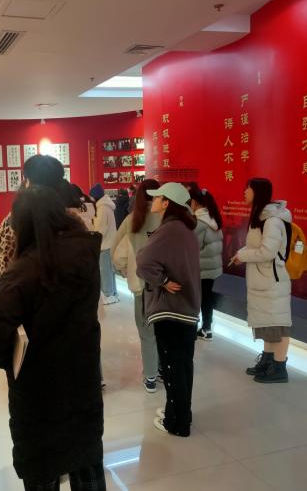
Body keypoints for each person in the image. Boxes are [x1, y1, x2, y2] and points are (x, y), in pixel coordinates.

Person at [0, 186, 105, 490]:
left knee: (42, 466)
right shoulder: (85, 254)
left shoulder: (23, 271)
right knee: (85, 458)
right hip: (82, 378)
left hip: (38, 391)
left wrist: (13, 360)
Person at [136, 182, 200, 437]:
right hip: (187, 307)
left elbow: (143, 262)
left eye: (157, 197)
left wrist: (161, 281)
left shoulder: (169, 229)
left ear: (167, 203)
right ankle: (181, 413)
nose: (153, 201)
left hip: (171, 308)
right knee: (183, 365)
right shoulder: (185, 228)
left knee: (173, 367)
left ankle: (177, 423)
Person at [0, 155, 69, 306]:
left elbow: (0, 266)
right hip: (60, 307)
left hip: (22, 304)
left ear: (28, 182)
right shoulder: (70, 220)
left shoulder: (15, 220)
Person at [231, 178, 292, 383]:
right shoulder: (262, 217)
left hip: (272, 280)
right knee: (267, 322)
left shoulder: (272, 220)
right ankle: (268, 360)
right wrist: (240, 254)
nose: (244, 192)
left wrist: (243, 256)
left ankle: (279, 368)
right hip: (263, 279)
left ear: (258, 192)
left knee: (277, 324)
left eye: (248, 188)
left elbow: (267, 252)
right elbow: (255, 247)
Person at [112, 179, 162, 393]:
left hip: (142, 285)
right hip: (167, 286)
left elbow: (118, 255)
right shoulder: (168, 219)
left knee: (146, 331)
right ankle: (163, 368)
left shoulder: (132, 220)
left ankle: (150, 376)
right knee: (163, 329)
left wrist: (126, 271)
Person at [188, 187, 224, 341]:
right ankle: (207, 329)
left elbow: (192, 249)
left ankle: (193, 329)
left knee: (196, 300)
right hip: (212, 268)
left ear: (194, 202)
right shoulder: (213, 219)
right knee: (206, 299)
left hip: (200, 268)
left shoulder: (198, 222)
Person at [89, 183, 118, 305]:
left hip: (104, 244)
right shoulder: (107, 206)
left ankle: (108, 294)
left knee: (105, 270)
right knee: (109, 270)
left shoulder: (102, 208)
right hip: (110, 242)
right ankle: (112, 292)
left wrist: (92, 234)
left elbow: (100, 229)